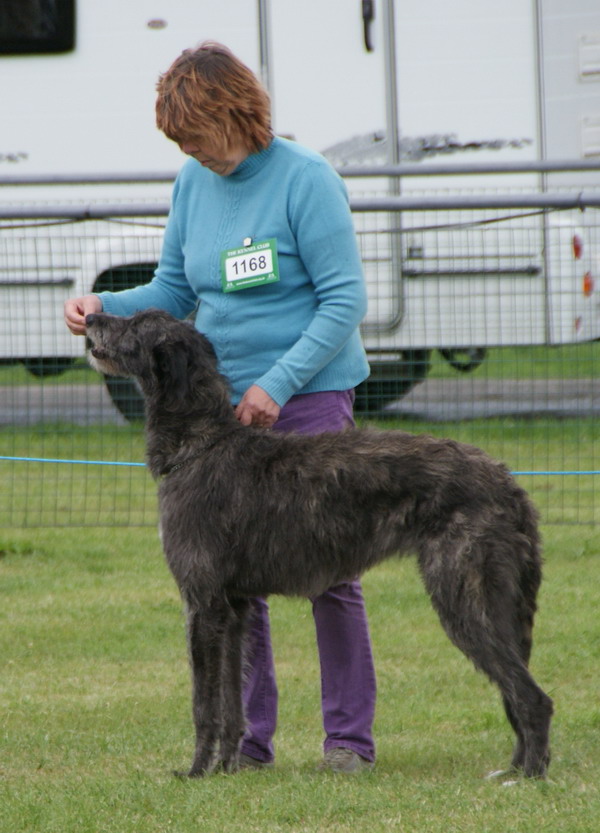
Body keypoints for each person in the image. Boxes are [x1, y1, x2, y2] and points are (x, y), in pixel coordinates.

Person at [64, 41, 376, 773]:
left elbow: (344, 301)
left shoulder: (307, 180)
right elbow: (174, 289)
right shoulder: (193, 184)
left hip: (307, 398)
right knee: (234, 579)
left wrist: (279, 382)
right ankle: (247, 742)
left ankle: (348, 742)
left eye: (195, 134)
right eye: (181, 141)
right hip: (224, 411)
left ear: (234, 113)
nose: (190, 150)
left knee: (331, 575)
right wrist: (104, 304)